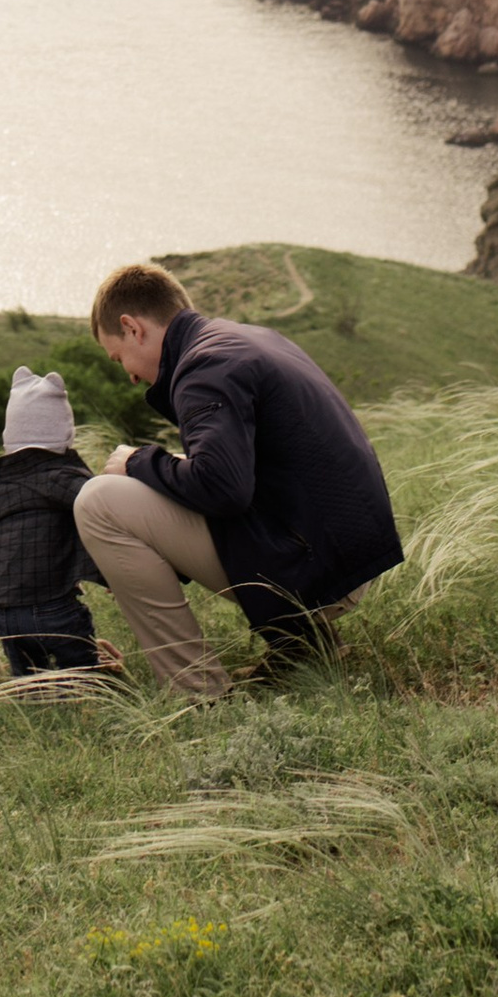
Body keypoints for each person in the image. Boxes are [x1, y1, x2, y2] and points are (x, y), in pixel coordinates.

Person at [74, 263, 402, 700]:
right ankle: (304, 646)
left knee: (98, 502)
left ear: (133, 328)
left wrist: (138, 461)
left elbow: (222, 489)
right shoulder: (242, 339)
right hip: (340, 551)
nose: (130, 376)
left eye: (119, 359)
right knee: (158, 477)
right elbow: (246, 468)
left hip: (319, 569)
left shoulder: (203, 368)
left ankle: (198, 695)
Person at [0, 365, 109, 679]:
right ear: (64, 437)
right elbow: (103, 522)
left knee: (29, 682)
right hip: (53, 606)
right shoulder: (67, 481)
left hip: (4, 612)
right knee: (83, 676)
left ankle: (33, 696)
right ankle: (88, 691)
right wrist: (114, 576)